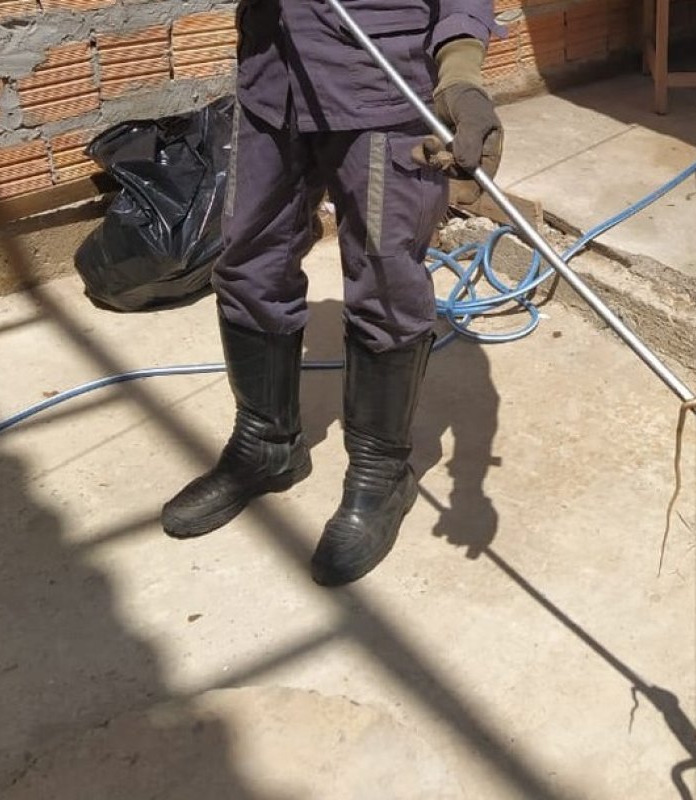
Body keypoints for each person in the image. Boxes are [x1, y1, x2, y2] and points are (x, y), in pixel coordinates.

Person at [159, 0, 504, 587]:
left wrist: (462, 75)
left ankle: (380, 474)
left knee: (386, 284)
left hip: (380, 90)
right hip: (274, 78)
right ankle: (266, 443)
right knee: (248, 261)